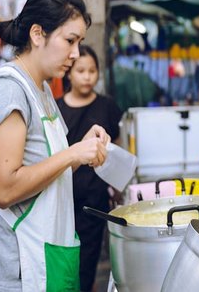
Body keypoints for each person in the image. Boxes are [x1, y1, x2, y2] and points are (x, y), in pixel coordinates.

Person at [0, 0, 110, 292]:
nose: (75, 53)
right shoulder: (8, 89)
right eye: (70, 40)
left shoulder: (40, 89)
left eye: (79, 42)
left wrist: (83, 149)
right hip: (6, 277)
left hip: (41, 262)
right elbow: (5, 188)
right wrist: (72, 154)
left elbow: (46, 171)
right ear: (38, 34)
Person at [57, 44, 123, 292]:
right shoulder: (56, 108)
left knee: (88, 259)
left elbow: (116, 145)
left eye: (92, 71)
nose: (87, 76)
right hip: (62, 195)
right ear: (69, 73)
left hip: (94, 199)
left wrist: (117, 187)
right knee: (63, 259)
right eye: (81, 70)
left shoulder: (107, 106)